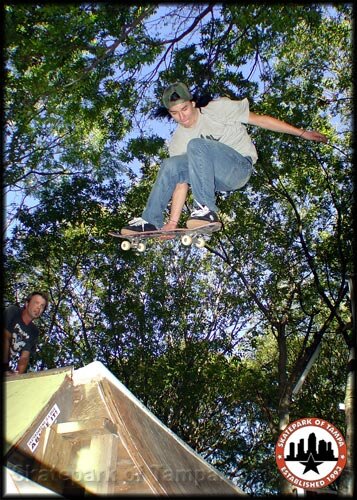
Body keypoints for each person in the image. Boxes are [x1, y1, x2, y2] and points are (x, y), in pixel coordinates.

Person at [121, 82, 327, 235]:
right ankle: (150, 221)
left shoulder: (217, 109)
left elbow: (260, 120)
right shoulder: (177, 140)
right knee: (171, 165)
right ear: (170, 113)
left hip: (239, 167)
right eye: (175, 113)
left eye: (185, 109)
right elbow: (180, 182)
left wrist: (301, 133)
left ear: (193, 104)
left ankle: (206, 211)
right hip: (214, 179)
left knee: (196, 145)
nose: (182, 117)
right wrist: (173, 224)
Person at [3, 291, 49, 375]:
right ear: (27, 304)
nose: (38, 308)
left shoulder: (33, 331)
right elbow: (5, 336)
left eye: (42, 306)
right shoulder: (13, 311)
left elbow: (24, 357)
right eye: (36, 303)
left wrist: (17, 377)